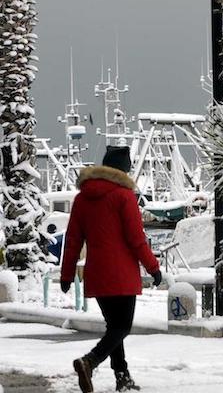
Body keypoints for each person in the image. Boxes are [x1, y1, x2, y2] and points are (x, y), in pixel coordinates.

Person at [60, 146, 162, 393]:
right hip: (122, 273)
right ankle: (90, 361)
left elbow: (73, 239)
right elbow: (136, 239)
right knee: (122, 327)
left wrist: (66, 274)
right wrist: (154, 267)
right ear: (124, 169)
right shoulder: (123, 196)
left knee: (114, 327)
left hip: (97, 273)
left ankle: (122, 377)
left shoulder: (82, 198)